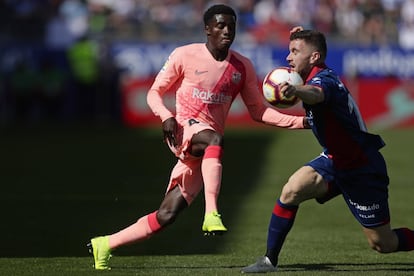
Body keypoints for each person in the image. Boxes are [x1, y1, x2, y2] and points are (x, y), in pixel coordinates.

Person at [88, 4, 309, 270]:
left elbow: (259, 112)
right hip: (183, 130)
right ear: (207, 29)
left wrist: (302, 121)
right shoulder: (185, 55)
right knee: (215, 139)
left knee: (166, 215)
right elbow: (154, 93)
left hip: (201, 150)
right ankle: (212, 213)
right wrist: (165, 116)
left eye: (231, 25)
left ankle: (105, 243)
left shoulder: (242, 66)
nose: (227, 30)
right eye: (220, 25)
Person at [241, 27, 414, 273]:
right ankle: (269, 261)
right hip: (333, 160)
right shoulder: (311, 75)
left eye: (294, 51)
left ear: (314, 57)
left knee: (382, 243)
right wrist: (302, 35)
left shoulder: (324, 80)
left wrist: (297, 90)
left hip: (361, 166)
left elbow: (316, 94)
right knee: (291, 190)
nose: (288, 58)